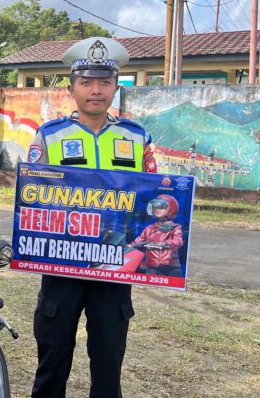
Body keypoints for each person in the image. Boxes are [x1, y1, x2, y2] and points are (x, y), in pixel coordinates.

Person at [26, 37, 155, 398]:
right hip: (62, 265)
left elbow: (153, 195)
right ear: (72, 88)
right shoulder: (49, 137)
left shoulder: (136, 136)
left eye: (104, 82)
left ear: (116, 87)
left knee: (108, 361)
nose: (95, 90)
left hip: (115, 265)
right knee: (52, 359)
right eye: (86, 82)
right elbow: (33, 197)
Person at [128, 194, 184, 276]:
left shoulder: (175, 227)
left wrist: (163, 244)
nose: (157, 210)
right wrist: (125, 247)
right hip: (153, 267)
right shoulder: (149, 229)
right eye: (156, 207)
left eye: (161, 207)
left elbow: (178, 241)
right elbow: (137, 242)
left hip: (171, 268)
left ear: (171, 209)